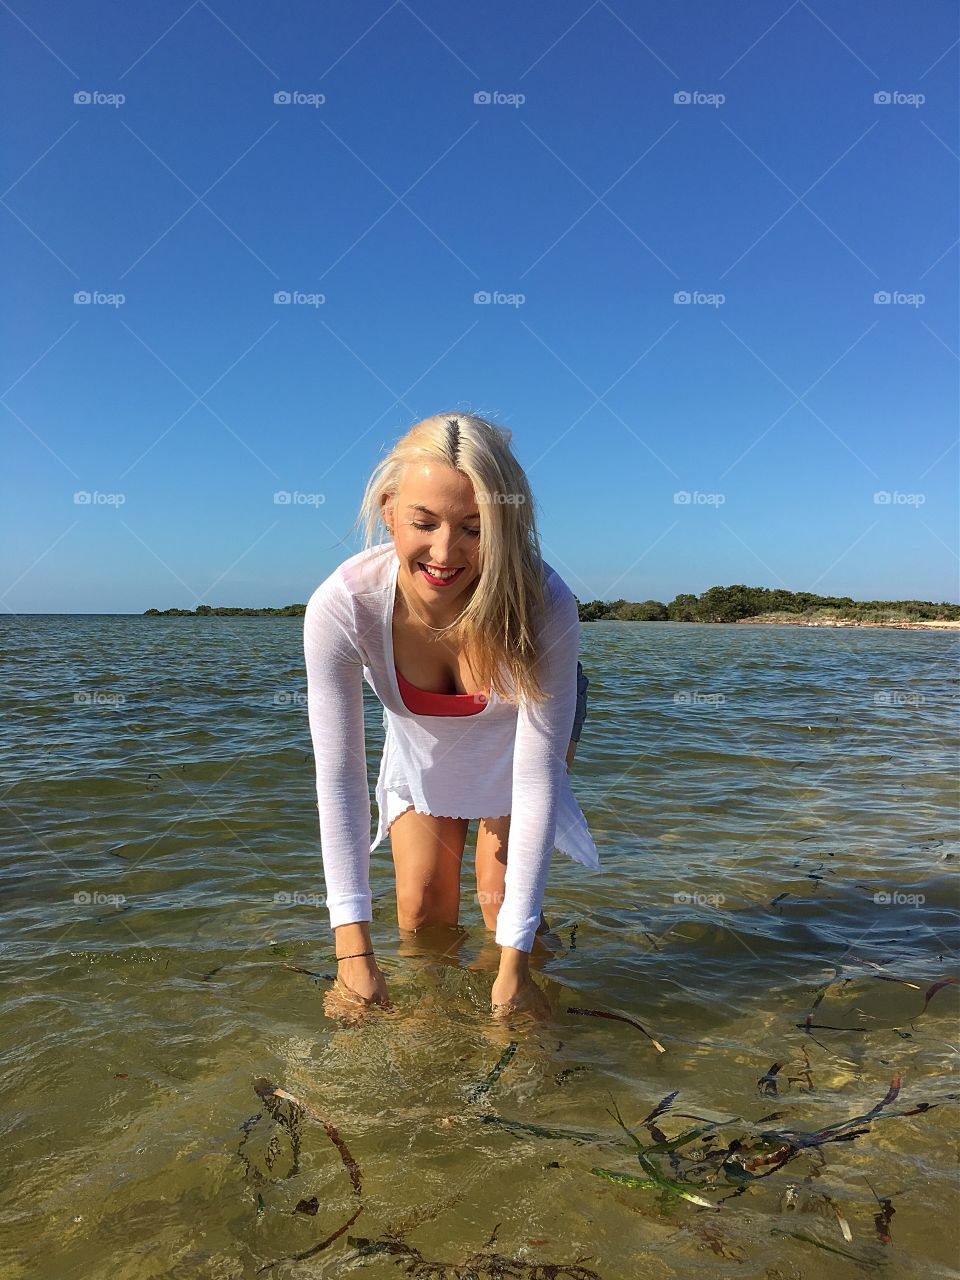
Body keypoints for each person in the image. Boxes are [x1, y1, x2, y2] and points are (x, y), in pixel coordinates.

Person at [303, 412, 600, 1018]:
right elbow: (338, 778)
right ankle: (432, 1020)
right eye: (424, 522)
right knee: (419, 907)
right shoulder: (345, 604)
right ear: (389, 511)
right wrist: (352, 957)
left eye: (474, 527)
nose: (445, 552)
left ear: (507, 524)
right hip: (421, 740)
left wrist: (513, 968)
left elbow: (537, 778)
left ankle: (519, 994)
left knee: (501, 903)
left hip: (526, 735)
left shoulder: (544, 603)